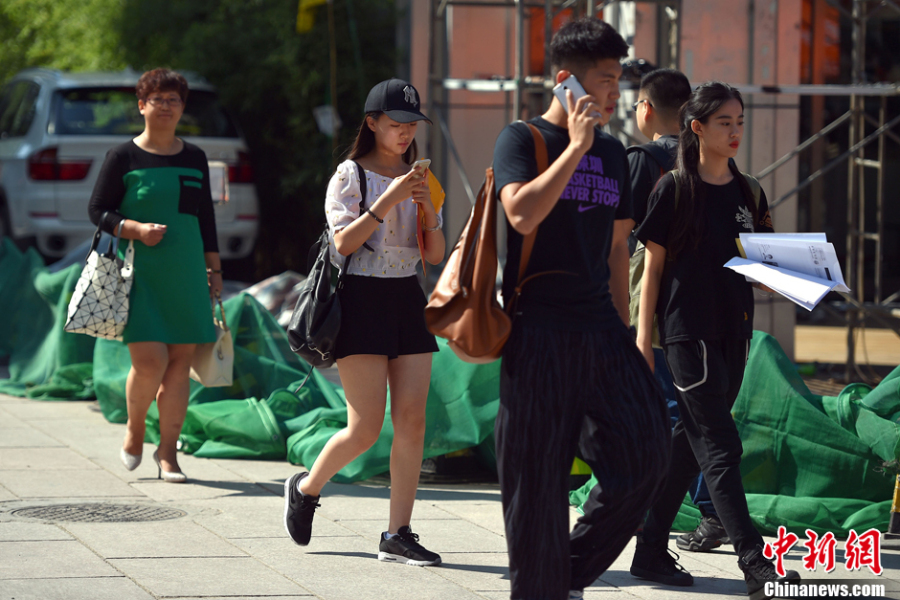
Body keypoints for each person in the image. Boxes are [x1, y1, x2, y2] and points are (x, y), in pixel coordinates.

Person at [492, 18, 671, 600]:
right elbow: (520, 214)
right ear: (567, 81)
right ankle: (542, 588)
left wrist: (628, 336)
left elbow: (619, 248)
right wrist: (574, 149)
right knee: (536, 481)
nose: (615, 94)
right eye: (605, 80)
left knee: (646, 452)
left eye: (619, 80)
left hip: (600, 328)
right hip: (537, 328)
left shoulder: (616, 153)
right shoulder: (522, 140)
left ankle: (562, 574)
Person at [629, 81, 800, 598]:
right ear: (697, 127)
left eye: (740, 122)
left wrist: (807, 273)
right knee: (721, 445)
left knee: (692, 440)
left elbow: (762, 260)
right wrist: (642, 337)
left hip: (735, 328)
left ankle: (650, 549)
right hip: (687, 333)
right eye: (725, 123)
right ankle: (755, 564)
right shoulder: (675, 188)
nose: (736, 132)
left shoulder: (749, 189)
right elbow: (652, 267)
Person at [282, 78, 446, 567]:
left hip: (406, 297)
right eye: (395, 124)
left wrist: (426, 209)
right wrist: (390, 199)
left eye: (411, 125)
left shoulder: (421, 177)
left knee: (413, 419)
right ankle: (306, 488)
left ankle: (398, 533)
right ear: (372, 123)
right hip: (359, 299)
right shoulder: (349, 174)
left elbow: (433, 255)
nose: (404, 133)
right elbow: (344, 244)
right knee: (366, 427)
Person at [88, 68, 223, 484]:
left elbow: (206, 219)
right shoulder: (121, 157)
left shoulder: (196, 157)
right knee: (150, 362)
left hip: (186, 274)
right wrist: (134, 230)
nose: (166, 106)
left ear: (182, 108)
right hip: (140, 274)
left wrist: (215, 271)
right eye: (157, 99)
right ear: (142, 105)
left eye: (174, 100)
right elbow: (97, 212)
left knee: (180, 366)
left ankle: (168, 453)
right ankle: (133, 431)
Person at [627, 68, 728, 553]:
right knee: (693, 413)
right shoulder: (713, 162)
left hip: (660, 307)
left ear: (645, 108)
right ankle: (677, 515)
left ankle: (707, 511)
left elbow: (625, 243)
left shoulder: (642, 160)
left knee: (677, 412)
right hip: (708, 310)